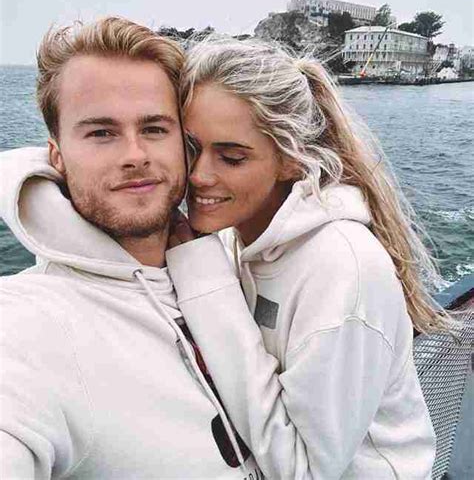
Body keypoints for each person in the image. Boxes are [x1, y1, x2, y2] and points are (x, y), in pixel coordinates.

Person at [164, 36, 447, 479]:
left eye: (232, 158)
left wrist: (204, 282)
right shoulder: (244, 237)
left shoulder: (342, 268)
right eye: (191, 148)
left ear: (291, 162)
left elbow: (306, 470)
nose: (199, 176)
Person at [0, 19, 262, 479]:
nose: (135, 155)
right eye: (101, 133)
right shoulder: (30, 325)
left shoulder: (233, 260)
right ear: (57, 156)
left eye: (155, 129)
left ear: (185, 144)